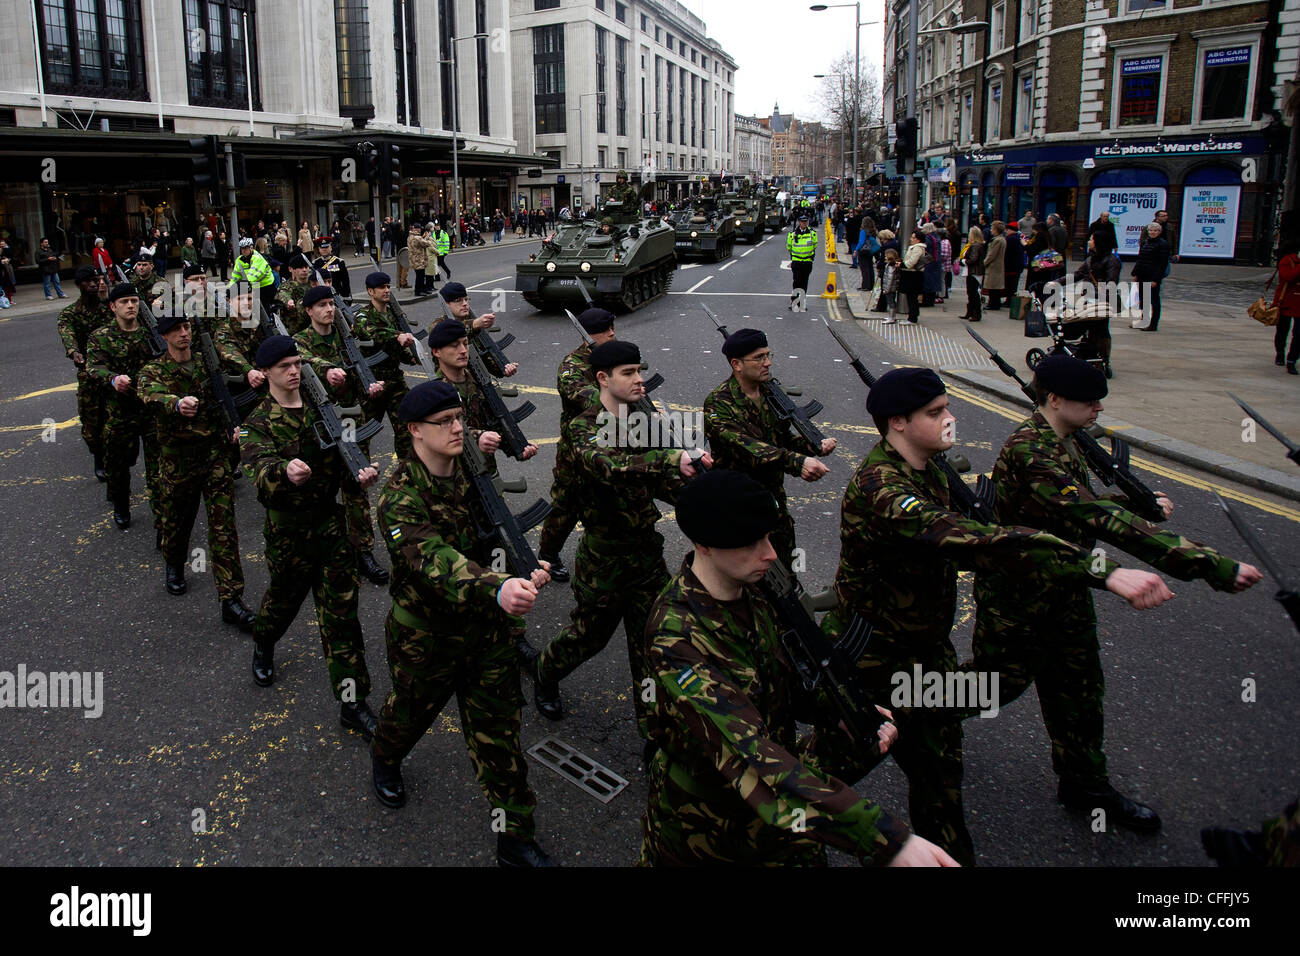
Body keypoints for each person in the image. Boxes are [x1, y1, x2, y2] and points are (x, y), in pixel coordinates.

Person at [823, 366, 1176, 866]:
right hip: (873, 664)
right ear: (897, 423)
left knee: (941, 779)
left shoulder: (933, 469)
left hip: (927, 655)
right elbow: (968, 538)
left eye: (946, 408)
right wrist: (1101, 571)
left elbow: (990, 527)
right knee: (819, 778)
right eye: (935, 412)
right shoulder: (882, 488)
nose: (949, 419)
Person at [969, 355, 1261, 830]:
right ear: (1056, 400)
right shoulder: (1030, 449)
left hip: (1066, 586)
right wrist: (1209, 563)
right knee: (990, 687)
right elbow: (1095, 518)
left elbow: (1079, 503)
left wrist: (1134, 501)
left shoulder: (1067, 440)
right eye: (1089, 400)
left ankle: (1085, 784)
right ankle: (906, 712)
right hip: (1019, 596)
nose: (1099, 408)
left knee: (1079, 692)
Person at [640, 468, 957, 867]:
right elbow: (746, 750)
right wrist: (885, 840)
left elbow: (788, 674)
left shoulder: (757, 590)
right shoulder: (676, 635)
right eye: (751, 542)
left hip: (779, 807)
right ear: (705, 544)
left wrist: (840, 710)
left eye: (768, 537)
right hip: (707, 827)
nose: (770, 553)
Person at [367, 381, 557, 867]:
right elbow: (434, 559)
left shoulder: (472, 473)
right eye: (446, 422)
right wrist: (497, 586)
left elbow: (495, 531)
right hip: (426, 638)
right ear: (414, 431)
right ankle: (385, 757)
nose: (458, 428)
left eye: (459, 418)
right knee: (409, 714)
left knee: (500, 734)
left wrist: (521, 566)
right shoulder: (399, 497)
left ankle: (515, 837)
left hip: (485, 634)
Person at [528, 341, 711, 726]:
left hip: (646, 553)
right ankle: (545, 672)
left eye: (639, 371)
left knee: (653, 642)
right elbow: (609, 465)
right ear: (602, 378)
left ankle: (653, 729)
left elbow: (659, 481)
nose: (639, 380)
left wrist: (698, 489)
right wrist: (671, 458)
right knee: (589, 636)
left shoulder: (640, 424)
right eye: (628, 373)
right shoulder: (584, 428)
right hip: (604, 558)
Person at [240, 335, 384, 752]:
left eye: (297, 363)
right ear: (265, 371)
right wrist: (284, 471)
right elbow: (259, 473)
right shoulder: (257, 422)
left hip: (330, 528)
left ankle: (353, 703)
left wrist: (359, 475)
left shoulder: (324, 412)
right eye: (283, 365)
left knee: (342, 617)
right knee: (282, 602)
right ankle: (264, 641)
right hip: (289, 536)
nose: (293, 370)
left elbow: (345, 461)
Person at [137, 309, 257, 630]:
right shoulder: (154, 370)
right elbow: (149, 395)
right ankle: (174, 563)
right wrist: (176, 403)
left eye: (186, 326)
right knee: (177, 521)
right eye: (175, 330)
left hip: (215, 456)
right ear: (164, 336)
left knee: (223, 528)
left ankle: (231, 599)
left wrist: (234, 426)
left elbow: (225, 396)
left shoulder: (208, 361)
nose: (184, 333)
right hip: (179, 461)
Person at [703, 328, 836, 568]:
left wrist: (812, 445)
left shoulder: (770, 394)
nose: (768, 363)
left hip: (773, 497)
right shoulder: (718, 402)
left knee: (785, 563)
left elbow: (780, 439)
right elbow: (746, 447)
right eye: (760, 358)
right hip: (738, 503)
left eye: (768, 355)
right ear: (737, 364)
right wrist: (798, 462)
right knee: (748, 573)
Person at [293, 285, 390, 586]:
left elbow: (362, 364)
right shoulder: (300, 340)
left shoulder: (345, 335)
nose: (328, 309)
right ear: (309, 310)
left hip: (352, 417)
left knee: (356, 487)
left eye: (330, 304)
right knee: (320, 489)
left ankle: (363, 551)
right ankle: (323, 548)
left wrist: (370, 384)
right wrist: (328, 369)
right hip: (321, 423)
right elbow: (302, 359)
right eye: (321, 305)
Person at [535, 307, 614, 585]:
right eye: (605, 330)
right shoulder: (572, 366)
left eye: (611, 328)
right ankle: (547, 554)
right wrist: (621, 395)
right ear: (587, 336)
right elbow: (587, 397)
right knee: (566, 505)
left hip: (610, 444)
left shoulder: (611, 360)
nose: (612, 333)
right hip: (575, 450)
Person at [87, 283, 161, 530]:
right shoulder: (101, 336)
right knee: (118, 466)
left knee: (159, 468)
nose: (131, 306)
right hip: (119, 412)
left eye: (134, 301)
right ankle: (121, 505)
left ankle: (163, 519)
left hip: (151, 411)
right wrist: (112, 378)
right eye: (124, 302)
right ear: (113, 306)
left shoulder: (152, 332)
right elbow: (93, 368)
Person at [352, 272, 416, 460]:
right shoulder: (362, 315)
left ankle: (407, 470)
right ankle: (359, 468)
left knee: (406, 427)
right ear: (370, 291)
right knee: (364, 430)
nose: (387, 290)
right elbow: (370, 332)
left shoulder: (392, 314)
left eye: (388, 286)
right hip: (373, 382)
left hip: (395, 379)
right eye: (382, 287)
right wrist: (397, 335)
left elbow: (396, 344)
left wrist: (410, 357)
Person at [58, 265, 113, 480]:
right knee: (91, 425)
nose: (93, 284)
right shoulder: (69, 314)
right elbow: (66, 333)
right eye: (87, 281)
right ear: (79, 285)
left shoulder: (108, 308)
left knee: (115, 422)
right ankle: (98, 455)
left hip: (111, 371)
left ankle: (111, 460)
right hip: (89, 374)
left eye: (96, 280)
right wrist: (74, 352)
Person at [1071, 236, 1121, 378]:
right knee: (1090, 327)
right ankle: (1091, 356)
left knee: (1102, 329)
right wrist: (1055, 282)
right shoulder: (1090, 258)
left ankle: (1104, 359)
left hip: (1103, 300)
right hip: (1090, 298)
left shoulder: (1112, 260)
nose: (1089, 241)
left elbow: (1112, 281)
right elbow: (1078, 274)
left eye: (1092, 239)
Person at [1131, 221, 1170, 331]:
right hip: (1143, 273)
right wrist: (1135, 273)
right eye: (1151, 230)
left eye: (1155, 230)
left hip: (1152, 275)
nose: (1152, 232)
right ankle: (1144, 320)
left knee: (1153, 300)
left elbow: (1162, 264)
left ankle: (1153, 324)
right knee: (1143, 300)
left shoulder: (1162, 244)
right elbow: (1141, 259)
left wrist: (1156, 279)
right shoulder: (1146, 242)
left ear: (1159, 232)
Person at [1272, 236, 1300, 374]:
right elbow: (1288, 277)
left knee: (1299, 334)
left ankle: (1292, 360)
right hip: (1286, 301)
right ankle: (1280, 352)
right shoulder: (1287, 260)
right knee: (1282, 330)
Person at [231, 237, 276, 313]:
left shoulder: (257, 258)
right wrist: (231, 288)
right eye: (242, 248)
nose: (243, 250)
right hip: (254, 285)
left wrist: (242, 286)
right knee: (252, 306)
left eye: (246, 248)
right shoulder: (239, 260)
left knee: (264, 306)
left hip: (265, 285)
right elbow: (235, 276)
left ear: (251, 248)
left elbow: (252, 276)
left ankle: (269, 321)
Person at [275, 254, 313, 335]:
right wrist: (288, 301)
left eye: (306, 267)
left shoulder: (313, 283)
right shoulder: (287, 285)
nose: (304, 270)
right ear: (290, 269)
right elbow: (283, 293)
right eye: (300, 267)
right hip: (296, 330)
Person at [786, 214, 817, 312]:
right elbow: (789, 247)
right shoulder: (792, 234)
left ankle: (802, 303)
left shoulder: (812, 234)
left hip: (807, 262)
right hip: (797, 261)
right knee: (797, 282)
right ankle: (795, 303)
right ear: (799, 222)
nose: (804, 223)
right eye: (803, 222)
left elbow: (814, 245)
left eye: (806, 222)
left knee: (804, 283)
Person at [899, 230, 927, 324]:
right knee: (911, 296)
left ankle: (912, 317)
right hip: (911, 274)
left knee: (912, 297)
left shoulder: (918, 248)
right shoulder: (915, 247)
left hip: (913, 275)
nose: (911, 239)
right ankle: (912, 316)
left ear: (918, 240)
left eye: (913, 237)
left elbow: (911, 262)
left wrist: (901, 264)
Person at [960, 227, 985, 322]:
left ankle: (975, 313)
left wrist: (964, 261)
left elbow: (973, 259)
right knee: (972, 293)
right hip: (975, 271)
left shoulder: (975, 246)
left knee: (973, 293)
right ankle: (971, 312)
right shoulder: (978, 245)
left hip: (974, 271)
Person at [983, 221, 1008, 311]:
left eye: (992, 229)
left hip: (994, 265)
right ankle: (994, 303)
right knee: (995, 286)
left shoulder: (997, 240)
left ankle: (993, 303)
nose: (991, 230)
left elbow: (992, 254)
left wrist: (984, 262)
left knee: (993, 286)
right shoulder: (1001, 239)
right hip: (997, 265)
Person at [854, 216, 877, 292]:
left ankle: (865, 285)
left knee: (864, 269)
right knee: (870, 267)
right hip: (870, 251)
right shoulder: (873, 231)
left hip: (863, 251)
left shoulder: (863, 231)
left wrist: (856, 250)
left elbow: (861, 242)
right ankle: (870, 284)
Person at [1004, 221, 1025, 302]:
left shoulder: (1010, 239)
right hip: (1017, 266)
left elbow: (1007, 253)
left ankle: (1009, 300)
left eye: (1007, 230)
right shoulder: (1019, 237)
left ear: (1011, 230)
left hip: (1011, 266)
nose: (1006, 231)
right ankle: (1009, 300)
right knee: (1013, 285)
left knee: (1010, 285)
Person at [879, 248, 902, 323]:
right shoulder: (891, 265)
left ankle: (891, 318)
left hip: (890, 287)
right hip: (892, 287)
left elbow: (890, 279)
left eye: (886, 256)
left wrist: (886, 289)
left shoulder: (890, 267)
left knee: (891, 302)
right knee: (891, 302)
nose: (885, 257)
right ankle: (891, 317)